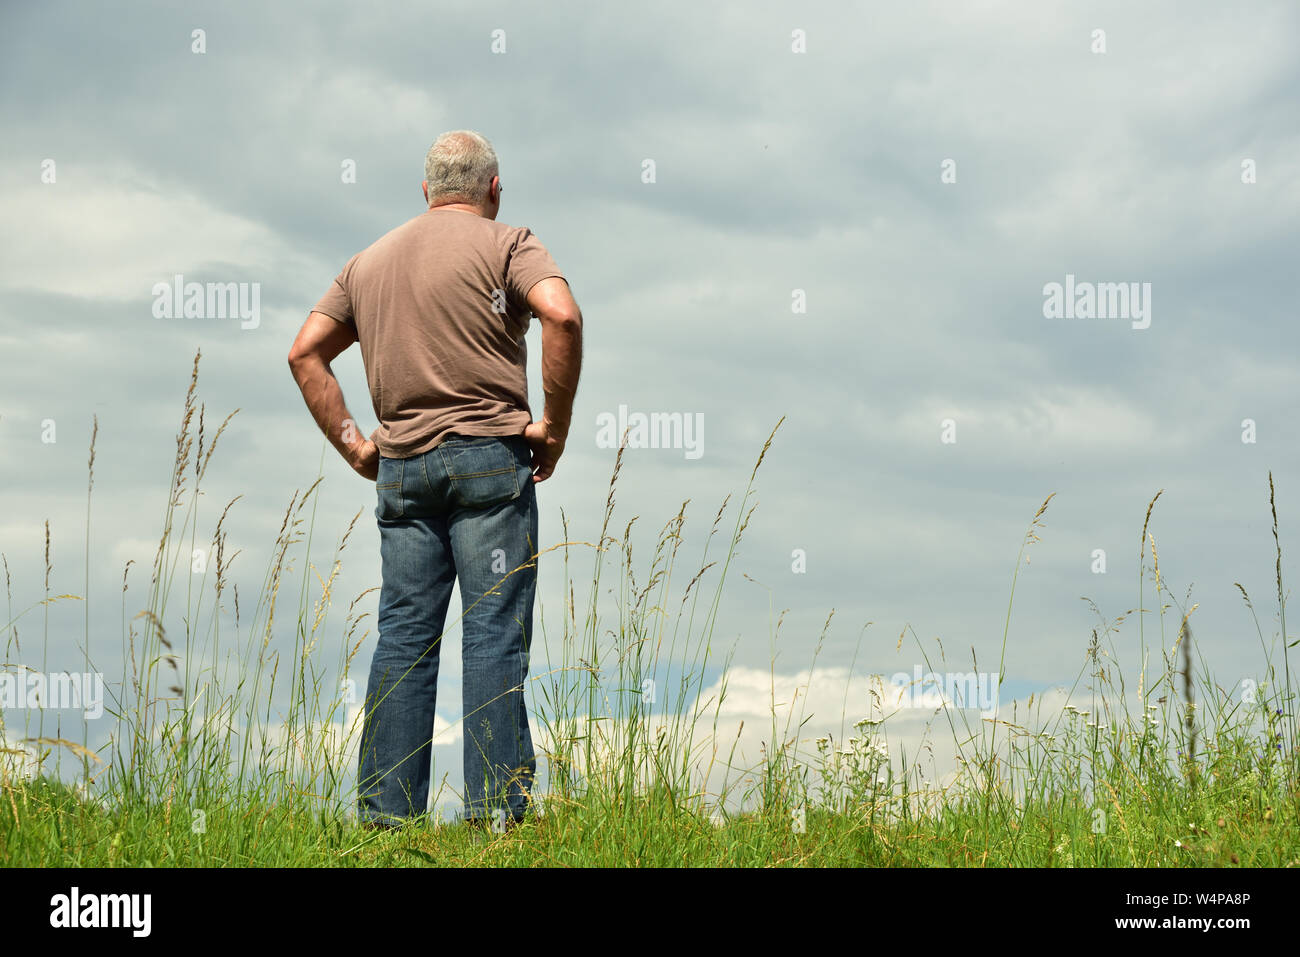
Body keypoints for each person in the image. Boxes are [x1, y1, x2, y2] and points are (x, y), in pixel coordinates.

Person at [287, 129, 583, 829]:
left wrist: (358, 446)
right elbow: (561, 315)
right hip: (489, 462)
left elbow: (304, 353)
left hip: (403, 472)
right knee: (492, 634)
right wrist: (555, 426)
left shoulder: (368, 262)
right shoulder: (511, 243)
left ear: (425, 192)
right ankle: (494, 822)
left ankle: (387, 825)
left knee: (403, 639)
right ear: (493, 189)